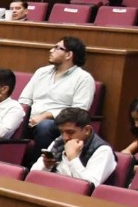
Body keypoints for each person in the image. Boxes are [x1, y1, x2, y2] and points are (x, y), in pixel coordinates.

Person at [19, 37, 97, 165]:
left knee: (45, 126)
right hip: (30, 119)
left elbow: (79, 111)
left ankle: (36, 166)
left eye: (57, 48)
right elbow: (24, 99)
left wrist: (47, 115)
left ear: (69, 54)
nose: (51, 50)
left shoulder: (83, 78)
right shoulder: (41, 72)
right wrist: (23, 114)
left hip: (58, 124)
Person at [31, 106, 116, 188]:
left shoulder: (103, 150)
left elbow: (89, 186)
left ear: (87, 130)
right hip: (53, 190)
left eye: (70, 132)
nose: (65, 137)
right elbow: (32, 175)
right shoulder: (59, 141)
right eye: (62, 132)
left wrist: (73, 158)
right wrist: (47, 166)